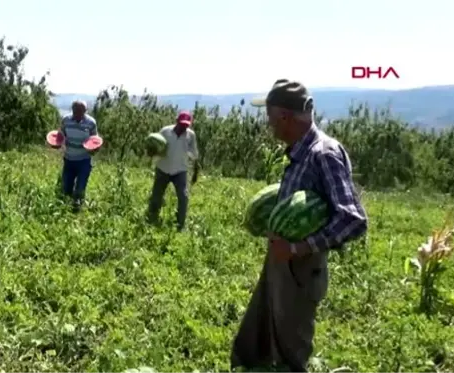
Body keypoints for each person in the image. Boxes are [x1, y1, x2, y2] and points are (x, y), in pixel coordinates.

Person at [231, 79, 368, 372]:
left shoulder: (324, 153)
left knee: (291, 346)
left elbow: (352, 219)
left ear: (284, 116)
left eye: (270, 117)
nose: (269, 125)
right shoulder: (299, 150)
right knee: (262, 326)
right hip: (283, 256)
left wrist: (296, 248)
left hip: (301, 265)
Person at [146, 110, 199, 232]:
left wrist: (195, 169)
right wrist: (151, 152)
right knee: (156, 196)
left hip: (180, 170)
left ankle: (180, 225)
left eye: (186, 125)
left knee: (183, 197)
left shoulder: (191, 135)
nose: (184, 127)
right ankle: (151, 218)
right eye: (182, 124)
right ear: (176, 121)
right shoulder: (165, 131)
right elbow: (154, 147)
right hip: (163, 168)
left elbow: (194, 153)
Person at [58, 100, 98, 212]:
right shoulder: (66, 120)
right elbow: (61, 136)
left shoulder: (91, 123)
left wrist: (95, 149)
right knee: (66, 188)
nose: (79, 114)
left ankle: (77, 211)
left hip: (84, 160)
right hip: (69, 159)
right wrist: (57, 144)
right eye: (77, 111)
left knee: (80, 188)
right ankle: (65, 211)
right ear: (73, 110)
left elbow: (94, 140)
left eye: (82, 112)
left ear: (85, 111)